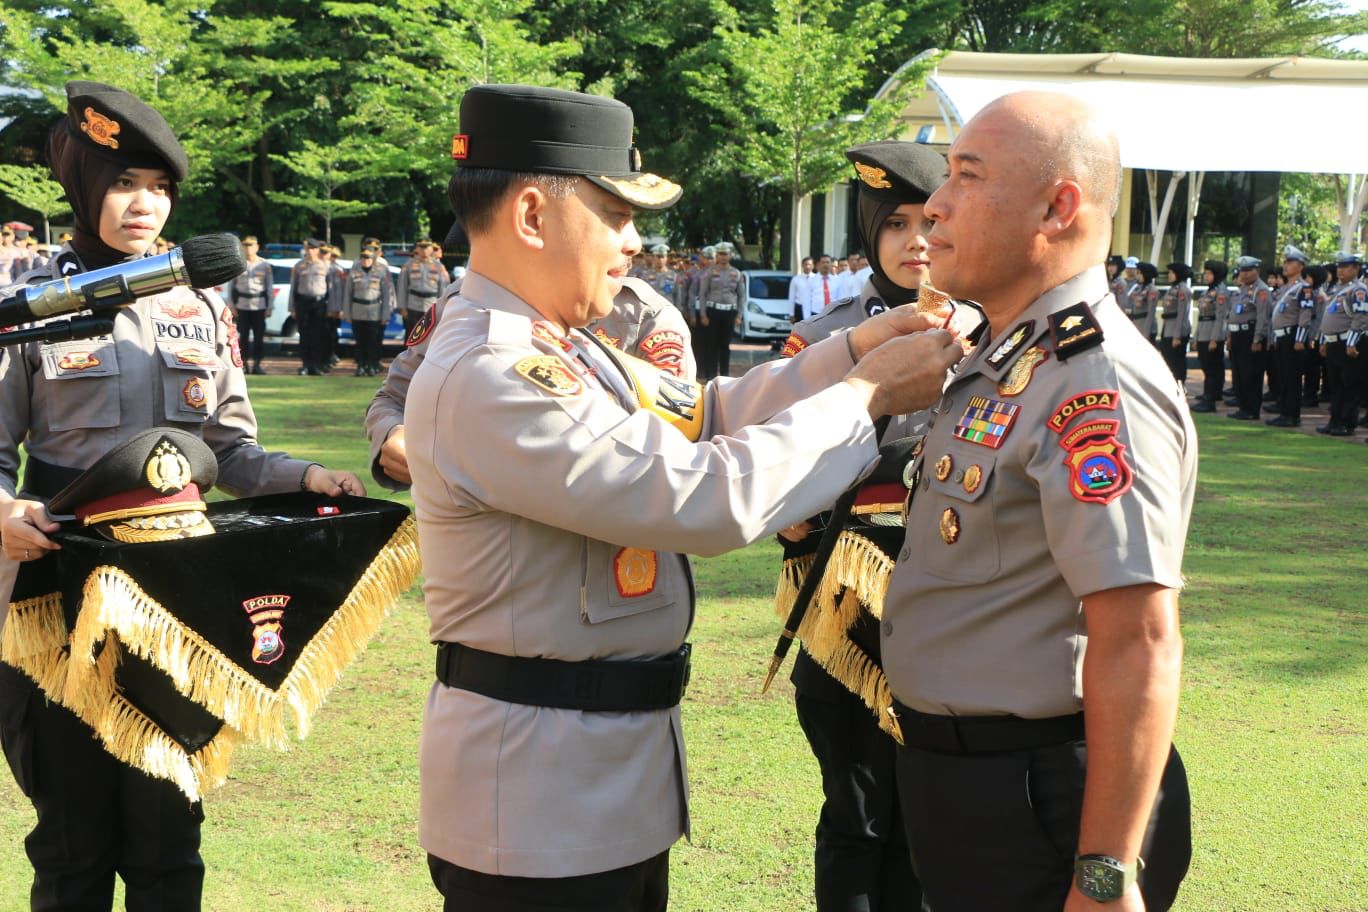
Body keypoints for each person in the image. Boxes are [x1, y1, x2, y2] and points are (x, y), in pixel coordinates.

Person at [403, 83, 963, 912]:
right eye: (616, 214)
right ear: (531, 215)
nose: (634, 241)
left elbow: (709, 414)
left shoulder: (569, 349)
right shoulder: (495, 373)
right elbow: (701, 502)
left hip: (595, 780)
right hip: (535, 804)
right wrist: (865, 396)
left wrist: (849, 352)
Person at [0, 80, 364, 912]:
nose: (145, 206)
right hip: (60, 598)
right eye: (125, 184)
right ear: (86, 190)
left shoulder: (199, 305)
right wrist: (5, 512)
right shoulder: (26, 308)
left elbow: (229, 450)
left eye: (160, 190)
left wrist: (307, 477)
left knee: (171, 844)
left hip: (179, 601)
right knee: (72, 845)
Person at [881, 91, 1194, 912]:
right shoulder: (1003, 358)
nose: (935, 206)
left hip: (1040, 795)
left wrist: (1104, 876)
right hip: (963, 784)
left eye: (968, 178)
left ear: (1058, 207)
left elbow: (1140, 641)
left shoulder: (1094, 380)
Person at [776, 140, 983, 912]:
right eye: (893, 224)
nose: (915, 241)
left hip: (961, 609)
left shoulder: (999, 337)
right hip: (851, 614)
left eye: (929, 220)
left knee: (941, 823)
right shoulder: (823, 342)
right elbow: (779, 471)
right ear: (869, 234)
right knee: (858, 818)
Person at [367, 273, 696, 492]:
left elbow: (675, 441)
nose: (630, 242)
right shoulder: (465, 301)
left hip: (606, 555)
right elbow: (392, 399)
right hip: (490, 557)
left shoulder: (644, 315)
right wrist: (392, 434)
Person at [1318, 253, 1367, 436]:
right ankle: (1335, 420)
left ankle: (1347, 423)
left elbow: (1360, 318)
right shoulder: (1339, 289)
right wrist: (1324, 341)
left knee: (1349, 385)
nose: (1340, 271)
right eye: (1339, 267)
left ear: (1355, 269)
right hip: (1333, 343)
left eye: (1345, 267)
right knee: (1336, 385)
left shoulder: (1358, 290)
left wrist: (1352, 343)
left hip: (1347, 343)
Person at [1266, 249, 1317, 427]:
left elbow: (1305, 314)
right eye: (1285, 262)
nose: (1285, 266)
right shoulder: (1284, 289)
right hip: (1281, 337)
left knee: (1292, 377)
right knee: (1282, 377)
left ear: (1300, 266)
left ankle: (1292, 415)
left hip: (1292, 337)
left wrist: (1299, 339)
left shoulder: (1304, 288)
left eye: (1290, 262)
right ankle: (1284, 412)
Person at [1226, 256, 1270, 420]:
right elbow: (1232, 314)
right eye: (1242, 270)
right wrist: (1229, 335)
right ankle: (1243, 407)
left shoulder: (1261, 290)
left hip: (1250, 335)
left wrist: (1257, 339)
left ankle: (1251, 409)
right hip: (1237, 334)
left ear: (1256, 271)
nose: (1244, 274)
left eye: (1248, 270)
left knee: (1250, 374)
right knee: (1238, 374)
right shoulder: (1241, 290)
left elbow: (1262, 317)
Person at [696, 240, 746, 380]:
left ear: (730, 255)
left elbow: (742, 296)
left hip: (729, 312)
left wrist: (739, 315)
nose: (723, 257)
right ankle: (711, 377)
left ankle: (725, 376)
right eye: (721, 254)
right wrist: (703, 314)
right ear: (717, 256)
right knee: (711, 346)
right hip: (712, 312)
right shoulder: (709, 272)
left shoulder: (737, 274)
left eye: (726, 254)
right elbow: (702, 294)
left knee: (725, 346)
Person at [343, 246, 395, 377]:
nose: (366, 260)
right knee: (359, 341)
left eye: (368, 258)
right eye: (363, 258)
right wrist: (347, 313)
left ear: (373, 259)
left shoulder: (381, 273)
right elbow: (347, 294)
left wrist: (385, 314)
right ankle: (361, 365)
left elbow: (386, 295)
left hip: (374, 311)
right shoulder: (354, 273)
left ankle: (371, 365)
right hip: (357, 310)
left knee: (372, 341)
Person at [227, 234, 274, 374]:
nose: (248, 249)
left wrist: (269, 306)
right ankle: (244, 363)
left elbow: (269, 287)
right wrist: (231, 305)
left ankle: (257, 364)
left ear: (257, 247)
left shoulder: (264, 265)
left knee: (259, 337)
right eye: (245, 246)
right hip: (242, 305)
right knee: (243, 336)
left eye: (251, 245)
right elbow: (231, 287)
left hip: (259, 305)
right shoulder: (238, 264)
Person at [289, 238, 332, 375]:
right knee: (304, 334)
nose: (311, 251)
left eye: (313, 249)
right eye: (308, 249)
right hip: (303, 302)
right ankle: (305, 364)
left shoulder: (325, 266)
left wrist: (332, 307)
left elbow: (331, 288)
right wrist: (292, 307)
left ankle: (316, 365)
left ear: (318, 250)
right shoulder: (299, 266)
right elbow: (293, 288)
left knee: (318, 335)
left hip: (319, 303)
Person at [1191, 259, 1229, 412]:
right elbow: (1201, 316)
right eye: (1205, 273)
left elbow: (1220, 317)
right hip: (1204, 332)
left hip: (1213, 334)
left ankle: (1210, 399)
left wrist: (1214, 338)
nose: (1205, 276)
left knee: (1212, 368)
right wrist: (1196, 336)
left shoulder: (1221, 292)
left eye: (1209, 273)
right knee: (1207, 367)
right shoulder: (1208, 291)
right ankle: (1210, 394)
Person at [397, 239, 451, 336]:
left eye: (426, 247)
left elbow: (443, 288)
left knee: (429, 336)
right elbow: (402, 287)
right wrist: (403, 307)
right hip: (412, 305)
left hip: (431, 305)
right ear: (417, 248)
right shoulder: (408, 265)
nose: (424, 251)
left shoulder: (439, 266)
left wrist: (442, 307)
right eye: (421, 247)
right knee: (411, 335)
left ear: (431, 249)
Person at [1157, 262, 1192, 384]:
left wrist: (1177, 336)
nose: (1169, 275)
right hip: (1168, 328)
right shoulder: (1173, 288)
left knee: (1177, 361)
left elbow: (1182, 314)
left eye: (1172, 272)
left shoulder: (1183, 290)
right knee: (1168, 359)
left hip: (1177, 330)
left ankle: (1179, 384)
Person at [1127, 262, 1158, 340]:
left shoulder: (1152, 290)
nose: (1138, 276)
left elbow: (1151, 313)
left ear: (1146, 274)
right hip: (1137, 327)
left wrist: (1146, 333)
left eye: (1139, 273)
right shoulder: (1138, 288)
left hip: (1145, 328)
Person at [788, 255, 818, 322]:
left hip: (814, 308)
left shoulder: (817, 278)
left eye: (809, 264)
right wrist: (791, 314)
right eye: (805, 264)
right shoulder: (796, 279)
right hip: (799, 308)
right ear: (802, 265)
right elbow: (791, 297)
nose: (807, 266)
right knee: (800, 331)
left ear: (813, 266)